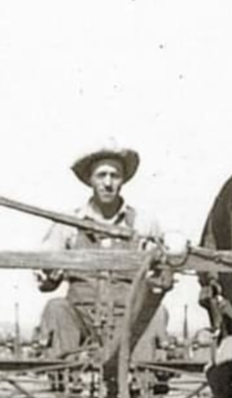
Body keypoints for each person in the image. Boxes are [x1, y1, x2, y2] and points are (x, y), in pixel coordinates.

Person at [36, 147, 168, 359]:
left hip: (128, 317)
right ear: (90, 180)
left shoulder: (144, 224)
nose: (108, 183)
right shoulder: (68, 224)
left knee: (155, 313)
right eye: (101, 175)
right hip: (80, 316)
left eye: (114, 176)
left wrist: (155, 269)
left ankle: (143, 382)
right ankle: (66, 382)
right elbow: (43, 281)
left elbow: (162, 274)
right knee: (56, 308)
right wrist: (50, 273)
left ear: (123, 180)